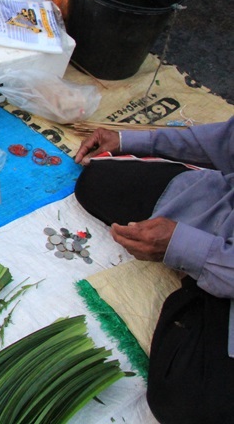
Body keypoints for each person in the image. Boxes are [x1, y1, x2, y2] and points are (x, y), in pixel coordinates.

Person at [74, 117, 234, 423]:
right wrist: (130, 141)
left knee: (186, 407)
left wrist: (186, 249)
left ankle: (204, 293)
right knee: (97, 179)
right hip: (223, 211)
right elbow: (225, 140)